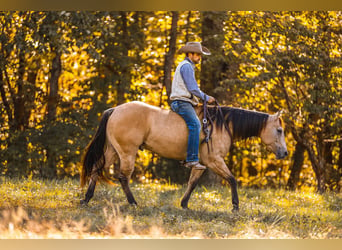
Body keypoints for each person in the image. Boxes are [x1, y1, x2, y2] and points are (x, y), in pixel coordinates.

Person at [170, 41, 216, 170]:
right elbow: (193, 89)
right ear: (190, 54)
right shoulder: (187, 67)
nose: (199, 57)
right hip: (182, 103)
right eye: (197, 55)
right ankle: (191, 159)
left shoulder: (186, 66)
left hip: (185, 102)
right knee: (195, 124)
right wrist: (206, 98)